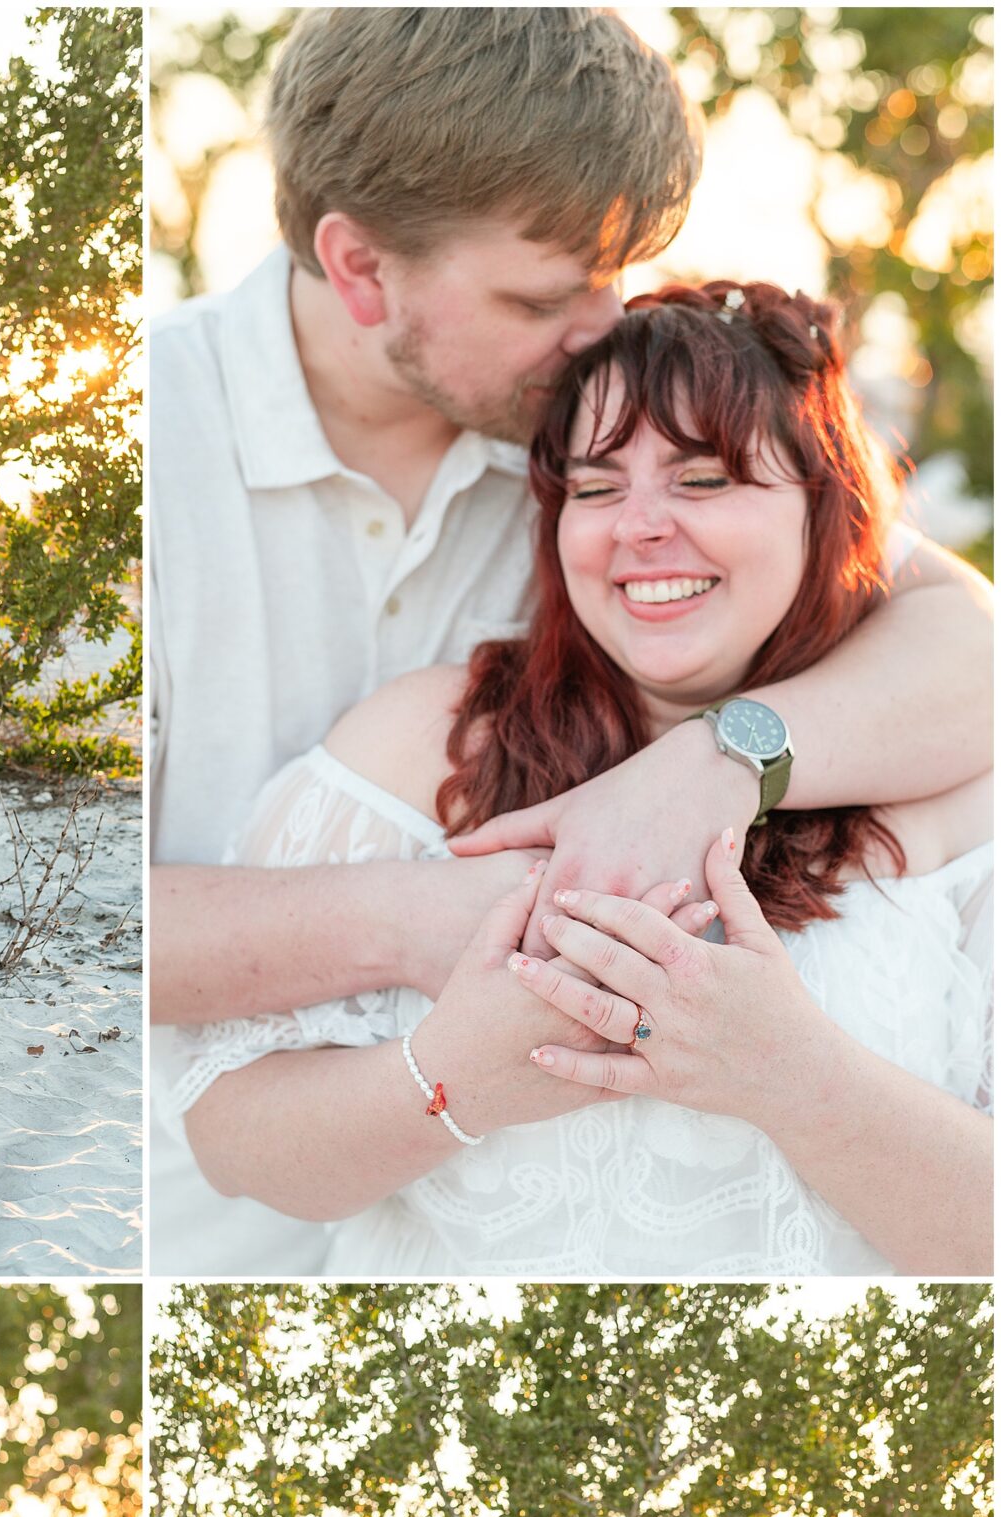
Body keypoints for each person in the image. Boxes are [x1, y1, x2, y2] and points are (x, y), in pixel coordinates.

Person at [148, 5, 994, 1275]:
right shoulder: (149, 456)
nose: (603, 324)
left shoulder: (581, 411)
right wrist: (445, 915)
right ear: (361, 267)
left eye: (615, 271)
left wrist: (716, 761)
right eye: (548, 292)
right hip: (192, 1246)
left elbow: (946, 630)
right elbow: (73, 919)